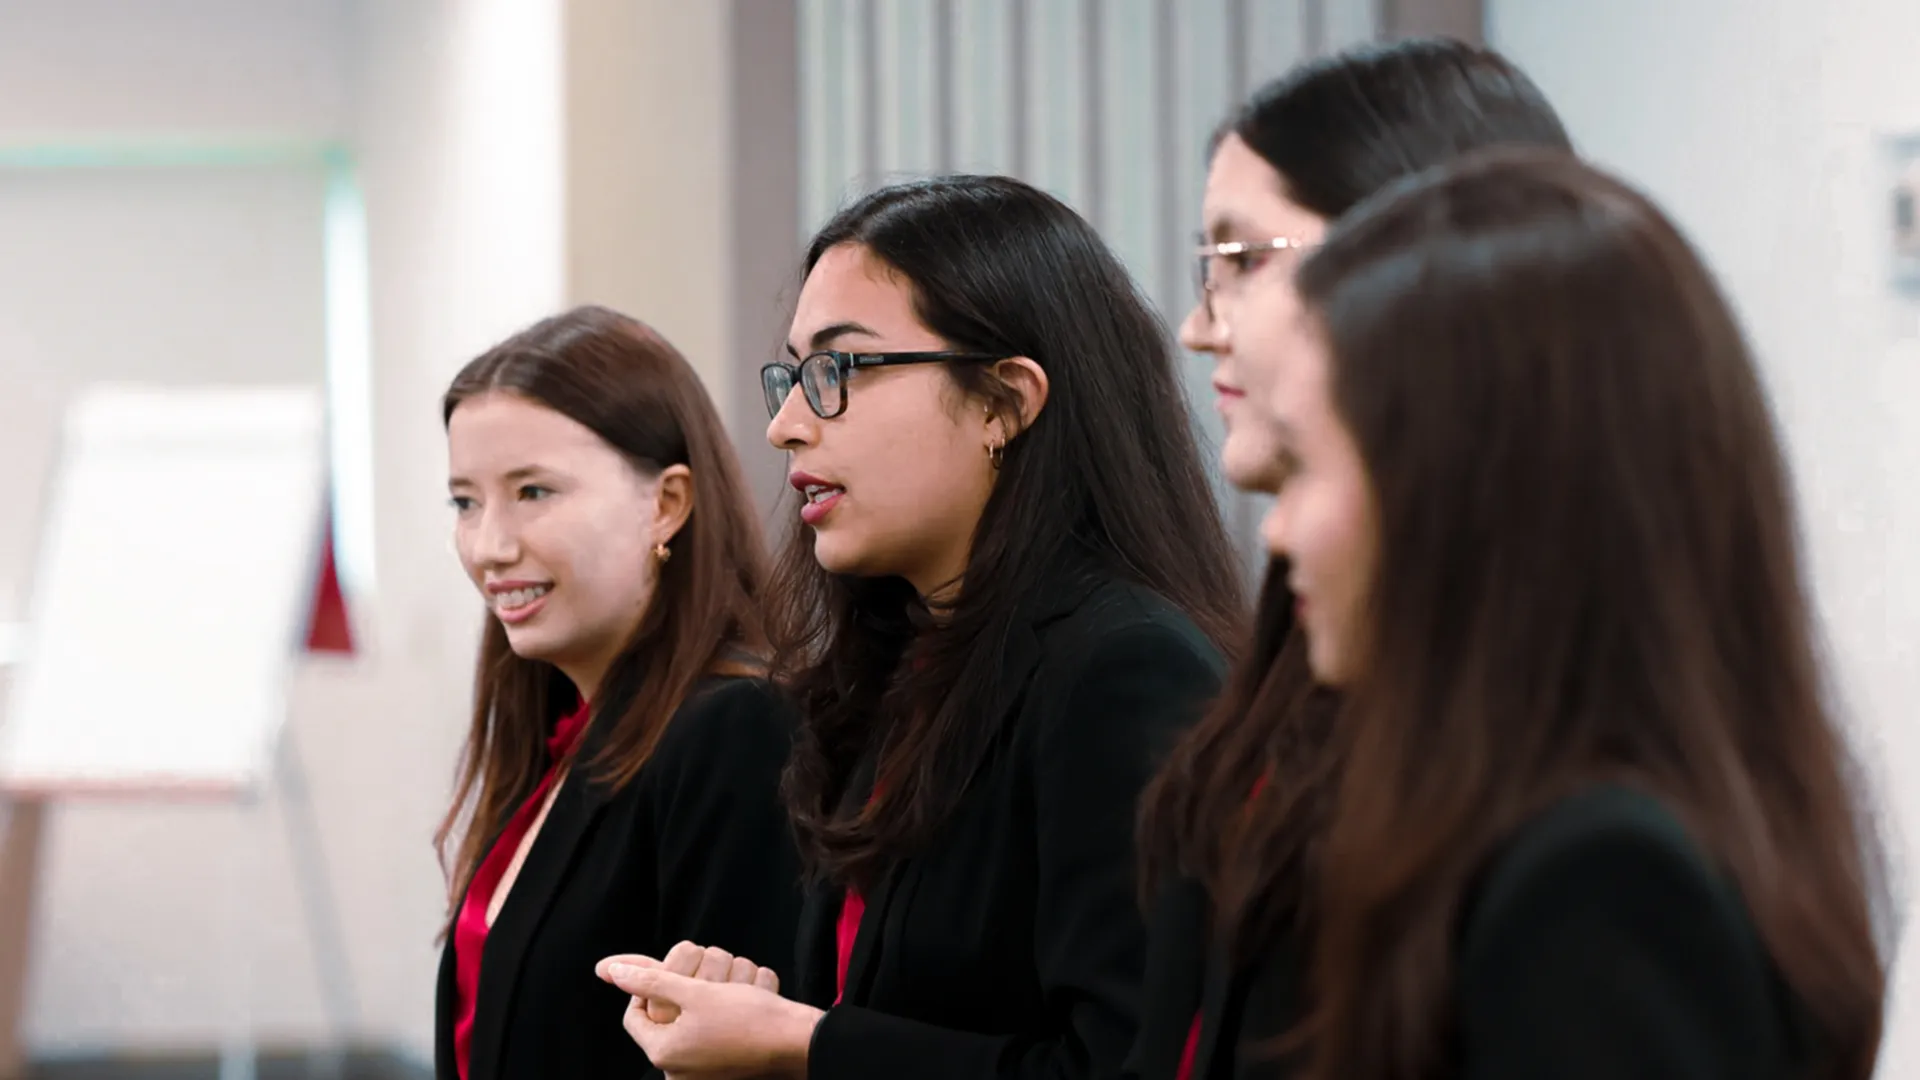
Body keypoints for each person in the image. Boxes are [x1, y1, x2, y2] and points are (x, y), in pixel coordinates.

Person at [1198, 148, 1892, 1077]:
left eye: (1309, 466)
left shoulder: (1597, 884)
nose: (1278, 533)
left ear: (1469, 491)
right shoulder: (1493, 826)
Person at [597, 174, 1246, 1079]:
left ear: (1002, 403)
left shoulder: (1125, 670)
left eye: (839, 372)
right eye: (794, 375)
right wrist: (753, 1029)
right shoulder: (903, 668)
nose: (786, 425)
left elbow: (1124, 1063)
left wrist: (798, 1042)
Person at [1131, 38, 1577, 1079]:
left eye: (1243, 261)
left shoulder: (1574, 818)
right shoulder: (1305, 655)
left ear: (1423, 262)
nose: (1197, 327)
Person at [432, 305, 803, 1080]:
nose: (489, 546)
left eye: (533, 491)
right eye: (465, 502)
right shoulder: (565, 732)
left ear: (666, 504)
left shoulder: (731, 728)